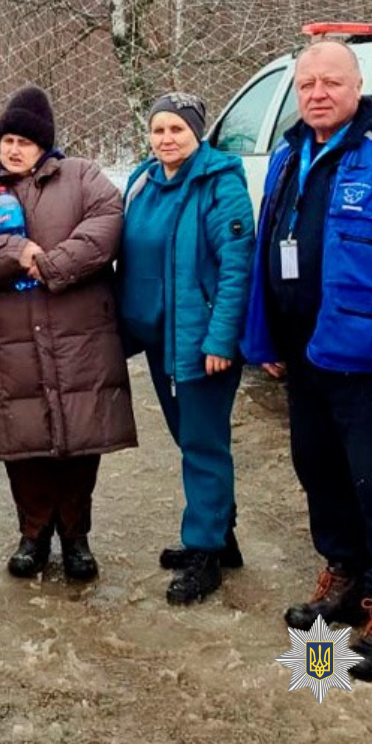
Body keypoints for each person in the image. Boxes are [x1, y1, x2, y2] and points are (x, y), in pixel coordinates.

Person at [242, 40, 372, 680]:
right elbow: (268, 249)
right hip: (307, 353)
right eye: (307, 84)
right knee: (321, 470)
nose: (316, 94)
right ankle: (344, 575)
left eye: (330, 82)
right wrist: (266, 338)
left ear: (357, 86)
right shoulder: (288, 153)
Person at [0, 85, 136, 581]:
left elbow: (106, 225)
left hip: (78, 338)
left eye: (24, 141)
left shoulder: (83, 177)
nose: (13, 149)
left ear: (45, 145)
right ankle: (32, 535)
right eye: (7, 139)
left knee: (80, 440)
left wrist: (50, 264)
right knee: (23, 442)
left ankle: (76, 536)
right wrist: (14, 253)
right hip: (11, 342)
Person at [118, 92, 254, 605]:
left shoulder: (220, 184)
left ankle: (204, 553)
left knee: (203, 443)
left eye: (177, 129)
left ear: (197, 133)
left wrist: (221, 338)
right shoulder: (142, 181)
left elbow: (237, 265)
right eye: (158, 130)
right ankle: (221, 534)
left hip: (202, 342)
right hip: (159, 338)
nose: (166, 139)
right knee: (189, 437)